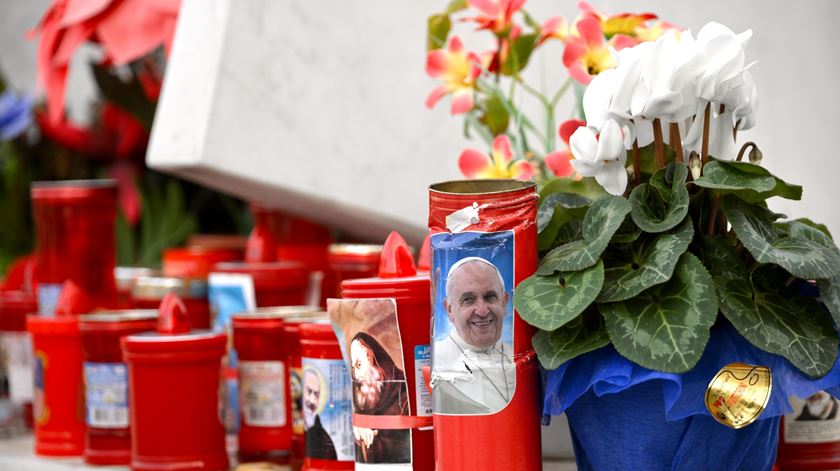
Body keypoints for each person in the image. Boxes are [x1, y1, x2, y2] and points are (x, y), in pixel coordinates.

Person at [432, 257, 515, 415]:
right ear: (449, 310)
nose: (482, 311)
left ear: (504, 303)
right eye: (468, 300)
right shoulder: (437, 359)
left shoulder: (519, 356)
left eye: (490, 297)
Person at [349, 332, 411, 464]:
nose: (357, 376)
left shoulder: (403, 391)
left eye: (359, 365)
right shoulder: (362, 398)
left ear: (370, 357)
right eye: (354, 369)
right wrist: (358, 428)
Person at [303, 368, 337, 460]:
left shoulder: (323, 438)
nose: (312, 400)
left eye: (316, 395)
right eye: (309, 391)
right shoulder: (302, 425)